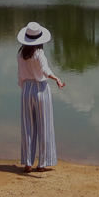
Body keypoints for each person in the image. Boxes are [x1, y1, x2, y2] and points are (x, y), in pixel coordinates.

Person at [16, 22, 65, 173]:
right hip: (41, 90)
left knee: (27, 127)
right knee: (44, 126)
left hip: (26, 90)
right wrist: (56, 78)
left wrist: (25, 87)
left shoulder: (20, 53)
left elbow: (20, 76)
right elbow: (45, 70)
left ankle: (28, 163)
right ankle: (42, 163)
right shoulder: (39, 53)